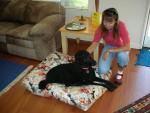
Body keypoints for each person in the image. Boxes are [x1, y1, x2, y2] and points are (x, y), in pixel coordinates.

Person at [87, 8, 130, 85]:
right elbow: (94, 44)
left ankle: (120, 72)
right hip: (109, 46)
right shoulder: (100, 28)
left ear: (115, 21)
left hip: (121, 47)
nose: (107, 24)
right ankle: (108, 64)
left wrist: (109, 50)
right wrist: (83, 55)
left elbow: (127, 47)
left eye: (110, 22)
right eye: (105, 21)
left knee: (122, 57)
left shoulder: (121, 26)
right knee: (102, 71)